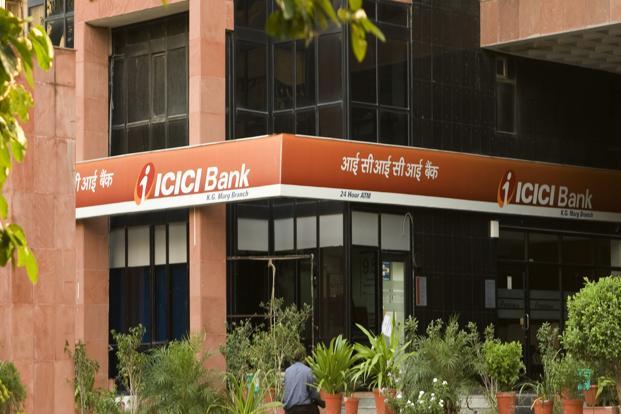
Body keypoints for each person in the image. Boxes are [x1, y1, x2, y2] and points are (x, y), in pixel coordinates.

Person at [282, 348, 324, 414]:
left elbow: (286, 390)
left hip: (289, 410)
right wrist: (321, 402)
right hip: (304, 409)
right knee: (315, 409)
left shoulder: (287, 371)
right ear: (304, 358)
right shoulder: (308, 371)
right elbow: (313, 393)